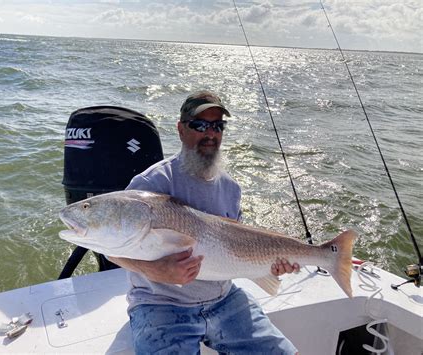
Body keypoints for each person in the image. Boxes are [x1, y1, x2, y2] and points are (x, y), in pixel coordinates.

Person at [109, 90, 300, 354]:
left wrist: (271, 266)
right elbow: (111, 248)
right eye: (199, 125)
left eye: (217, 126)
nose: (210, 134)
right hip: (161, 304)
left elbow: (237, 249)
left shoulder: (231, 188)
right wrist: (157, 272)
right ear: (181, 129)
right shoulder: (151, 184)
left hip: (224, 299)